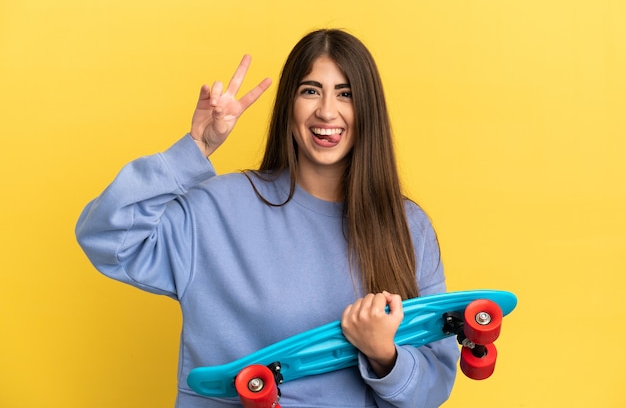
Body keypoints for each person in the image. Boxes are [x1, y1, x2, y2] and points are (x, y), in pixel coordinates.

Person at [76, 29, 459, 408]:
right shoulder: (217, 209)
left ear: (368, 110)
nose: (327, 111)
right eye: (310, 91)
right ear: (288, 106)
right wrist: (194, 150)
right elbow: (106, 238)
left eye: (346, 94)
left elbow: (435, 383)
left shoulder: (406, 226)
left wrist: (384, 356)